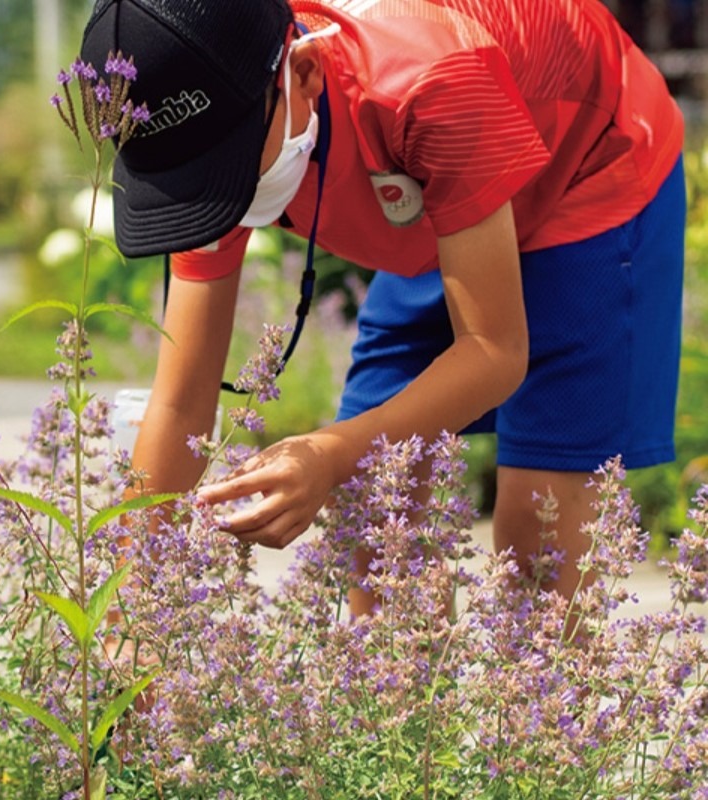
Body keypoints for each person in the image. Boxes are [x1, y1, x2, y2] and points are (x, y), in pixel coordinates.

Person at [80, 0, 685, 611]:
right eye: (191, 185)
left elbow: (496, 351)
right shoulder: (219, 130)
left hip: (586, 166)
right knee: (378, 517)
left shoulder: (427, 84)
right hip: (440, 190)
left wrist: (330, 452)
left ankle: (554, 707)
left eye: (226, 174)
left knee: (538, 536)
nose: (216, 201)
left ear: (306, 72)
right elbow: (181, 400)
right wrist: (131, 609)